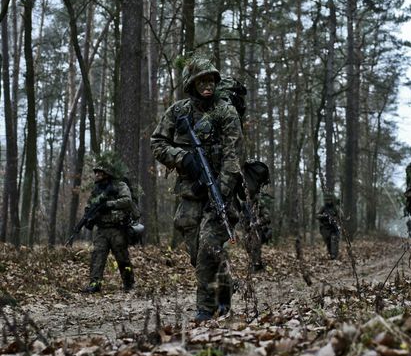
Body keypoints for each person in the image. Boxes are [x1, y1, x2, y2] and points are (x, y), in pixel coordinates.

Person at [151, 56, 243, 322]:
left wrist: (222, 192)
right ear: (191, 84)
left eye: (211, 80)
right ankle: (224, 289)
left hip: (219, 193)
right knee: (196, 252)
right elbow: (157, 143)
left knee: (208, 246)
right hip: (190, 192)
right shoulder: (179, 112)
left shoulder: (226, 112)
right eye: (201, 81)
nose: (207, 85)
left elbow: (233, 155)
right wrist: (181, 158)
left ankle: (207, 308)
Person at [83, 156, 135, 293]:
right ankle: (95, 284)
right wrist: (89, 214)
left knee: (122, 258)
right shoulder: (96, 190)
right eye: (96, 172)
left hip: (117, 228)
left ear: (107, 173)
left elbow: (127, 201)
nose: (97, 175)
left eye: (100, 172)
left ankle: (129, 284)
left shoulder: (120, 186)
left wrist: (109, 205)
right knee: (97, 257)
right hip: (101, 229)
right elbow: (89, 205)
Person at [242, 190, 273, 273]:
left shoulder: (259, 203)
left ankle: (257, 265)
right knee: (248, 247)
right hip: (248, 228)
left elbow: (267, 218)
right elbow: (242, 216)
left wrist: (256, 223)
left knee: (255, 246)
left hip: (258, 229)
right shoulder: (244, 203)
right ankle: (253, 263)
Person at [317, 193, 340, 260]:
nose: (328, 201)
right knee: (328, 242)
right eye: (327, 200)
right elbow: (317, 215)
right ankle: (331, 254)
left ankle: (334, 255)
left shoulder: (335, 207)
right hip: (325, 228)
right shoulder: (323, 208)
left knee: (334, 241)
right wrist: (324, 216)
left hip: (333, 227)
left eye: (330, 200)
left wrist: (335, 219)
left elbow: (340, 216)